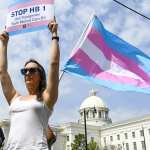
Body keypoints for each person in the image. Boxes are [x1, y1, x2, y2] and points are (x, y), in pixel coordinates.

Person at [0, 17, 60, 150]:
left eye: (32, 70)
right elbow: (2, 72)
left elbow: (54, 64)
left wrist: (54, 34)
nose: (27, 73)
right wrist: (4, 44)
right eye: (24, 71)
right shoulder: (14, 98)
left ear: (41, 76)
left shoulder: (47, 98)